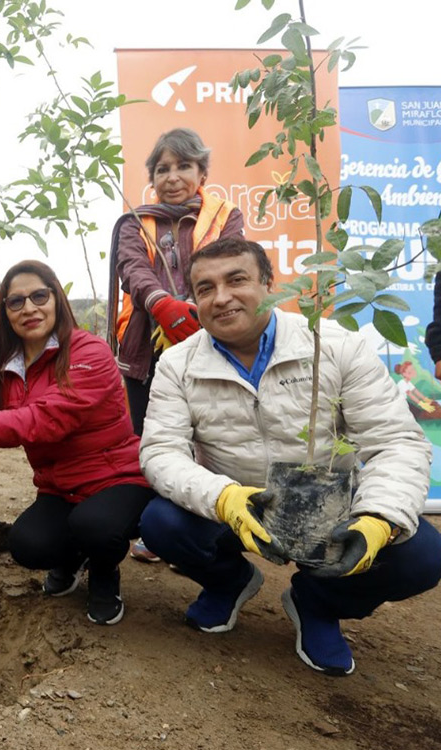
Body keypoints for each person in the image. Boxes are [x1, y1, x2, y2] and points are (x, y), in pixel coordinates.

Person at [138, 236, 441, 675]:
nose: (221, 298)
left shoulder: (335, 345)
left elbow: (395, 442)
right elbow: (162, 452)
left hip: (326, 505)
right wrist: (225, 498)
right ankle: (230, 582)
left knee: (422, 557)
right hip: (240, 506)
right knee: (160, 523)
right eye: (205, 288)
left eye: (236, 280)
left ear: (269, 284)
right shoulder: (177, 364)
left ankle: (316, 601)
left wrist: (377, 517)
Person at [0, 260, 153, 626]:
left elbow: (46, 419)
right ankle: (74, 557)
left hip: (116, 479)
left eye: (39, 296)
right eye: (16, 301)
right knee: (27, 545)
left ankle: (104, 571)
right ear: (5, 312)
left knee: (96, 526)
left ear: (57, 298)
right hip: (60, 487)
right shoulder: (8, 362)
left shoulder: (91, 353)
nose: (30, 308)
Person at [109, 128, 245, 563]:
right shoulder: (134, 220)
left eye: (184, 166)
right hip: (144, 353)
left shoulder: (226, 216)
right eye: (162, 168)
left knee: (205, 436)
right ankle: (155, 528)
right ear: (151, 176)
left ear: (202, 172)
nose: (172, 176)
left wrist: (194, 308)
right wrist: (161, 304)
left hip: (212, 343)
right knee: (150, 436)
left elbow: (233, 264)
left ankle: (203, 526)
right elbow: (131, 268)